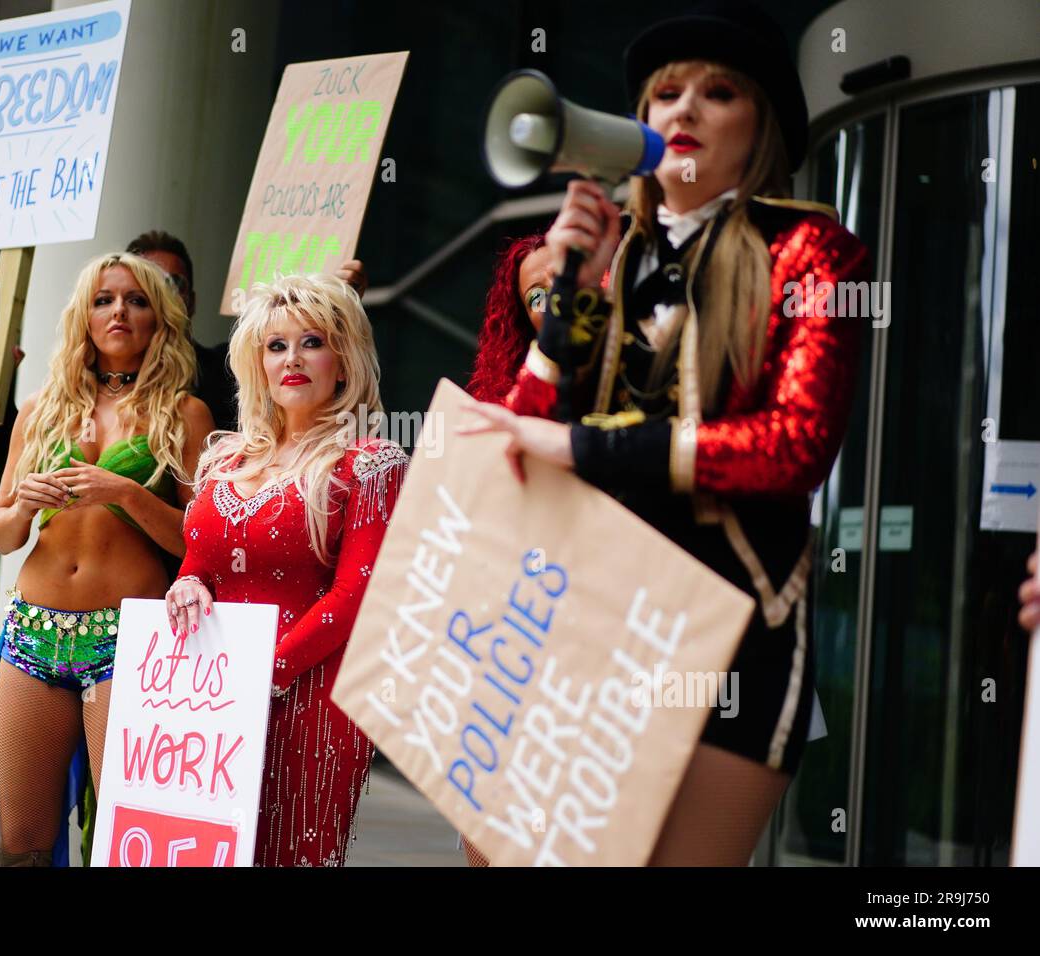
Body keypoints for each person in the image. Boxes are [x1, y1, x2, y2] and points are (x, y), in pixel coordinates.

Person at [458, 0, 871, 865]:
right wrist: (573, 295)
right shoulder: (613, 252)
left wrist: (591, 448)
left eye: (717, 93)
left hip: (731, 637)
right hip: (584, 624)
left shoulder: (812, 249)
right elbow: (522, 447)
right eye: (666, 94)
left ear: (759, 127)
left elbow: (797, 445)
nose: (684, 111)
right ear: (640, 122)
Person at [0, 252, 213, 866]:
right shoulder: (41, 408)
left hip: (129, 641)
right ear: (84, 316)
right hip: (35, 634)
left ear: (159, 319)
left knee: (125, 839)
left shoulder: (184, 413)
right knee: (22, 845)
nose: (119, 311)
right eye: (104, 299)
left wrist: (125, 491)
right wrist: (22, 504)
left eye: (135, 300)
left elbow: (201, 542)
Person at [165, 273, 409, 867]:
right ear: (258, 363)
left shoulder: (372, 462)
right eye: (276, 346)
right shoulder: (225, 455)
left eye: (312, 342)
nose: (292, 359)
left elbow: (356, 596)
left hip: (310, 700)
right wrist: (188, 585)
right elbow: (198, 560)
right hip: (211, 701)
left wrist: (265, 675)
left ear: (344, 361)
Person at [0, 229, 369, 470]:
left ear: (190, 300)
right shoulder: (72, 395)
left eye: (171, 283)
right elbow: (18, 475)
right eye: (109, 298)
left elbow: (302, 390)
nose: (123, 308)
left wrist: (334, 309)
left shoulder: (232, 371)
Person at [466, 233, 554, 404]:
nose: (556, 297)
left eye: (564, 279)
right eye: (537, 298)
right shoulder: (524, 407)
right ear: (527, 323)